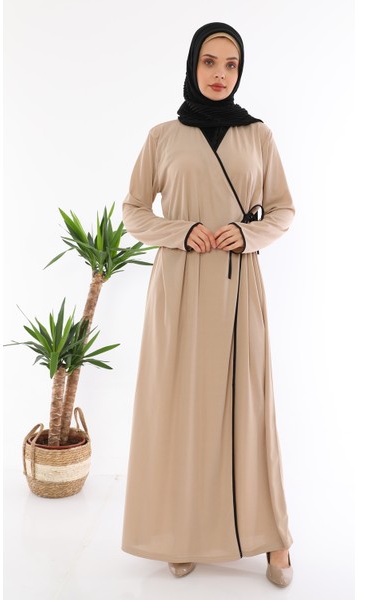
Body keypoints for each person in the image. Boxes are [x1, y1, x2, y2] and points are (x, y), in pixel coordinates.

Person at [121, 22, 295, 588]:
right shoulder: (163, 136)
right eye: (210, 62)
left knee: (251, 407)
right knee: (181, 409)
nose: (220, 74)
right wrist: (181, 230)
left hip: (237, 283)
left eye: (231, 64)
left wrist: (246, 235)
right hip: (178, 286)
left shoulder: (258, 135)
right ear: (193, 65)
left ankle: (275, 540)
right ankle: (182, 533)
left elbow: (283, 210)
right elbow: (133, 210)